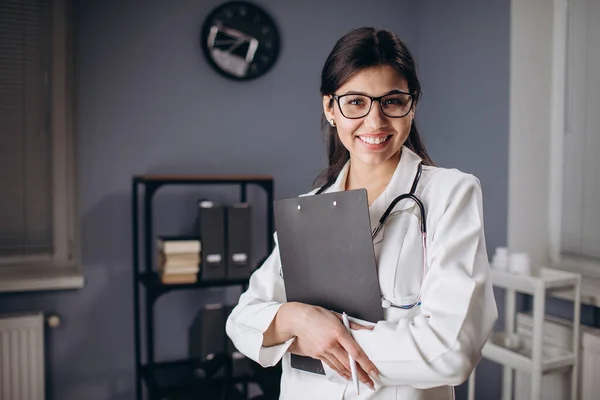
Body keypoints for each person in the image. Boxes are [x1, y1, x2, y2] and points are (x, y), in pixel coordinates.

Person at [226, 27, 498, 400]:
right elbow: (242, 320)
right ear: (330, 107)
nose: (375, 122)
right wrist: (296, 319)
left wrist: (318, 338)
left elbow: (451, 350)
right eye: (355, 102)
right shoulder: (311, 206)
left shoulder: (450, 194)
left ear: (412, 104)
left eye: (392, 101)